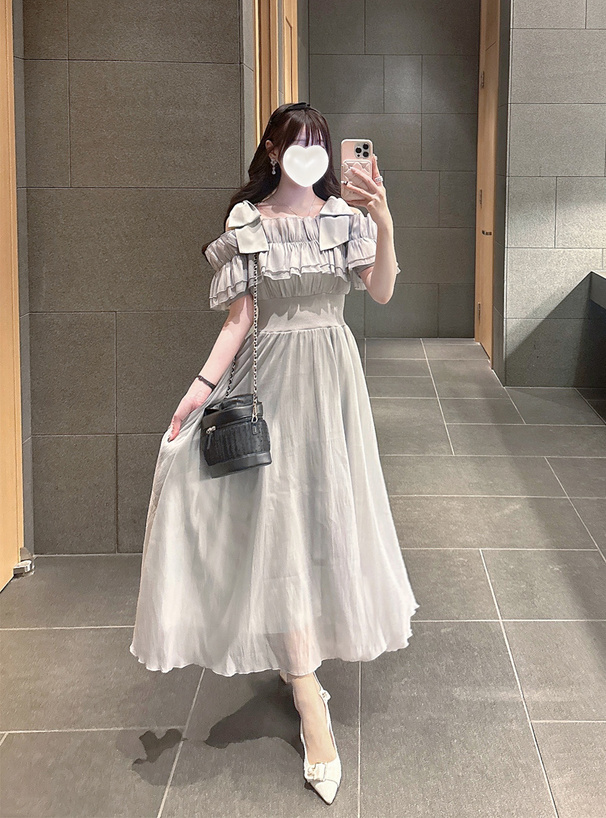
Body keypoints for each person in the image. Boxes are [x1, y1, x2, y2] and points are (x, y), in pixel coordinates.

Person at [129, 102, 420, 805]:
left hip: (333, 382)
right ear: (273, 150)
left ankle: (303, 666)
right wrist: (198, 391)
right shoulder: (249, 224)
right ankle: (308, 697)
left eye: (322, 143)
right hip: (272, 387)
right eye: (299, 144)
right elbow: (240, 320)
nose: (312, 154)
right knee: (279, 525)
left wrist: (382, 219)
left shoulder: (344, 218)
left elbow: (380, 291)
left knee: (325, 521)